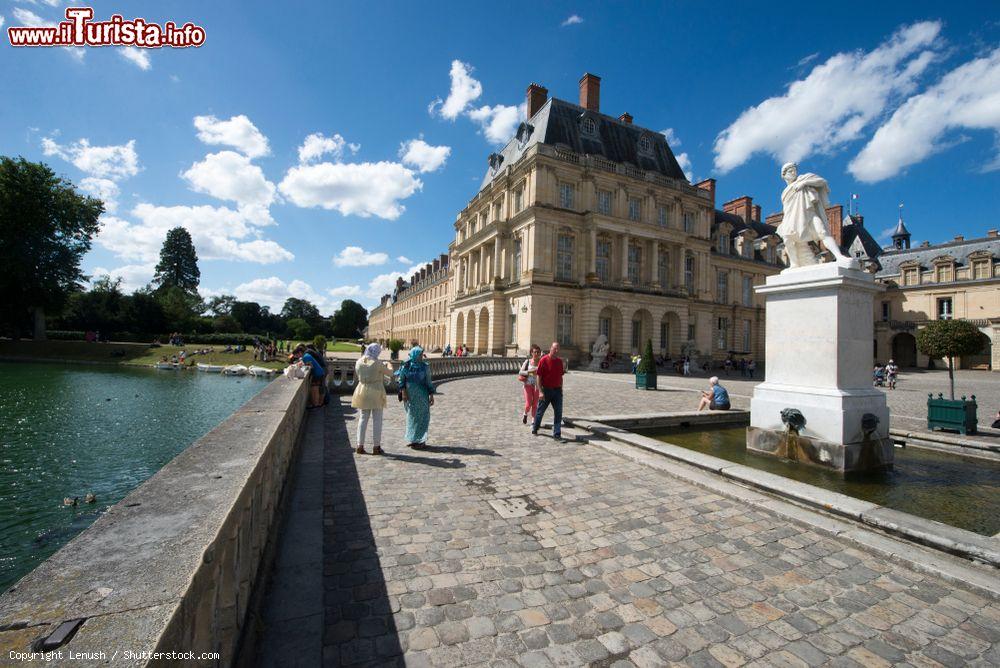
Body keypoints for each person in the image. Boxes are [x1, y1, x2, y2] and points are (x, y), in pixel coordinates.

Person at [352, 343, 394, 455]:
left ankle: (359, 445)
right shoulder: (377, 363)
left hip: (362, 389)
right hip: (376, 390)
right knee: (377, 420)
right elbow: (390, 374)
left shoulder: (359, 362)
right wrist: (389, 365)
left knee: (363, 419)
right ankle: (376, 446)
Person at [397, 346, 435, 448]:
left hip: (422, 396)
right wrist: (404, 392)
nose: (421, 356)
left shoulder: (425, 367)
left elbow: (428, 382)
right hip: (410, 396)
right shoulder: (406, 366)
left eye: (421, 354)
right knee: (412, 417)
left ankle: (421, 440)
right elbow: (401, 380)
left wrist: (431, 395)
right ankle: (413, 439)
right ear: (414, 354)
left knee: (422, 417)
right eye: (419, 354)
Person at [532, 342, 567, 441]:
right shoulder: (543, 360)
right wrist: (540, 391)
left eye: (558, 349)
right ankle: (535, 427)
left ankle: (557, 434)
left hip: (557, 391)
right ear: (550, 348)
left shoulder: (560, 362)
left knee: (558, 413)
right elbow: (539, 377)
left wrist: (561, 388)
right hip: (546, 390)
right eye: (554, 348)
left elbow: (560, 376)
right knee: (540, 411)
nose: (556, 351)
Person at [518, 344, 542, 425]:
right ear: (532, 353)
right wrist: (529, 372)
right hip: (527, 385)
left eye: (538, 352)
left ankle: (533, 421)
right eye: (535, 352)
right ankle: (525, 414)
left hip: (537, 386)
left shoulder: (541, 362)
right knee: (528, 404)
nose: (537, 354)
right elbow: (520, 372)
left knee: (535, 404)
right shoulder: (527, 362)